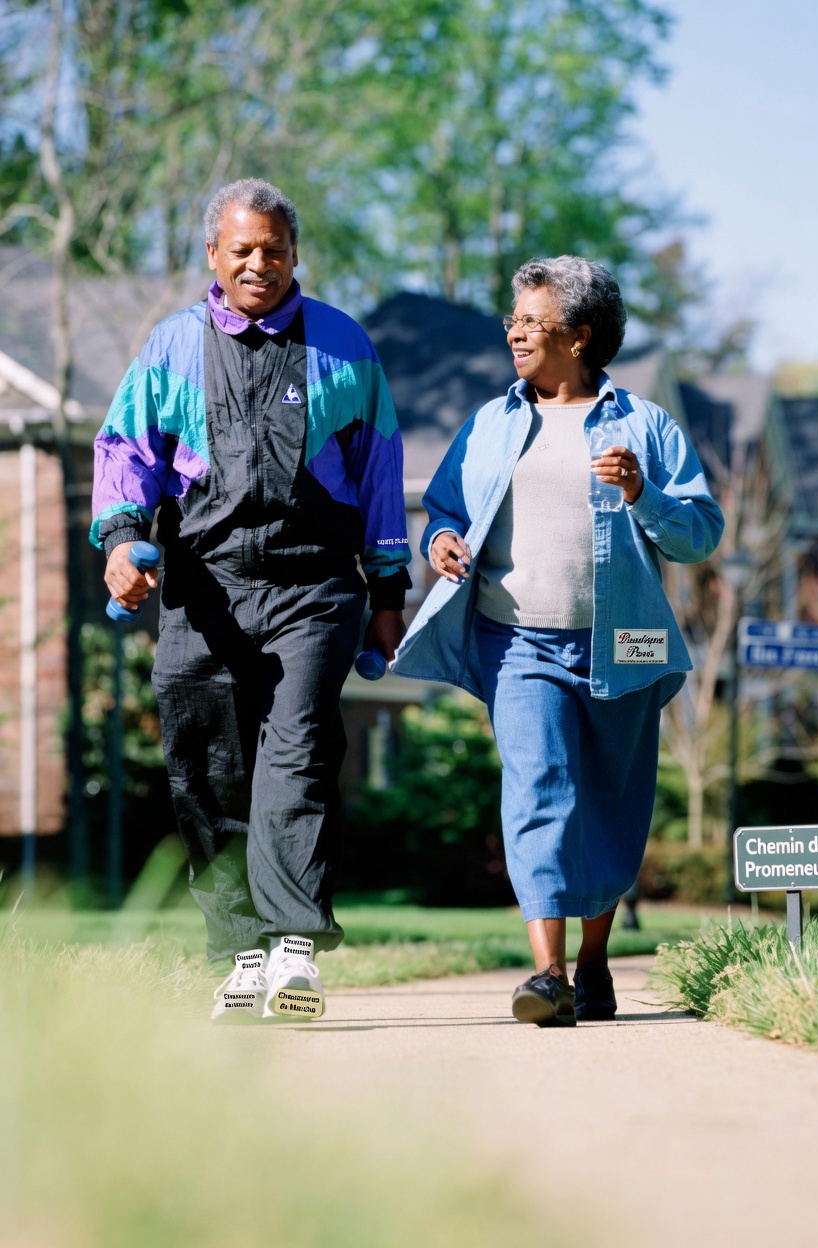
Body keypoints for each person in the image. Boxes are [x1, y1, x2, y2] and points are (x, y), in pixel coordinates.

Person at [91, 178, 411, 1021]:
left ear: (295, 253)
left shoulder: (344, 346)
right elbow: (127, 451)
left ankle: (295, 946)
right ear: (213, 257)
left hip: (313, 586)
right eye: (243, 250)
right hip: (204, 588)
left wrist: (387, 586)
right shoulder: (170, 348)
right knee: (207, 765)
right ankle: (238, 950)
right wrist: (123, 539)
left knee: (298, 750)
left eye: (274, 248)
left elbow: (380, 471)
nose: (260, 263)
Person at [391, 256, 723, 1026]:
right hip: (518, 642)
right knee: (539, 789)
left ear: (580, 336)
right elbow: (442, 508)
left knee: (610, 801)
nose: (514, 331)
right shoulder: (492, 422)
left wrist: (644, 493)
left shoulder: (645, 425)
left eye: (532, 321)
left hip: (625, 643)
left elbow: (701, 534)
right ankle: (547, 976)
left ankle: (593, 963)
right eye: (514, 319)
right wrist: (438, 541)